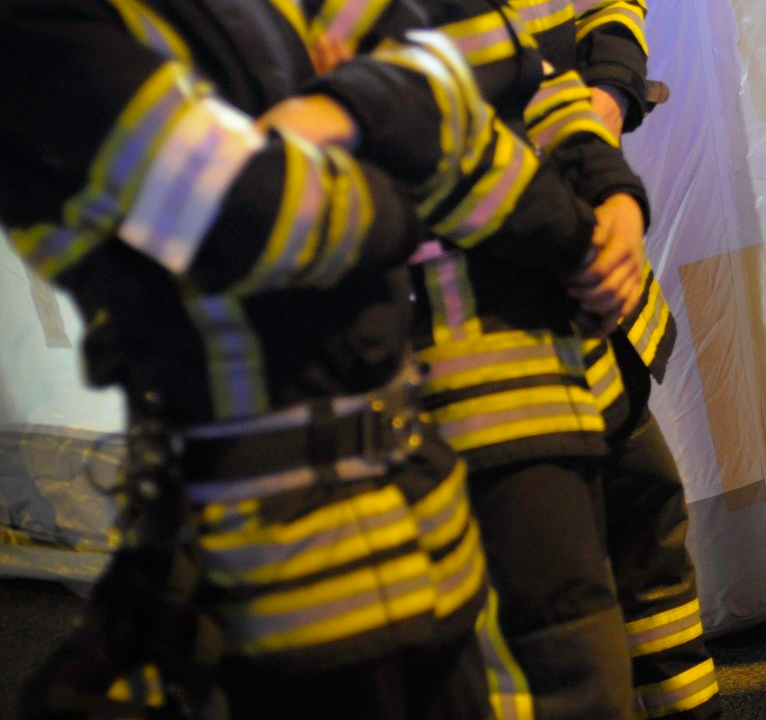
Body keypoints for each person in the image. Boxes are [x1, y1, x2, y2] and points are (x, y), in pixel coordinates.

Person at [0, 0, 598, 716]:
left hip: (415, 512)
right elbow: (251, 215)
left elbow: (453, 76)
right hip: (272, 557)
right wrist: (392, 163)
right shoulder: (43, 24)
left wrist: (347, 119)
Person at [293, 1, 649, 717]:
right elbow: (428, 136)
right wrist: (584, 237)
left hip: (552, 356)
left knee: (604, 613)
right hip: (459, 381)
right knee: (551, 664)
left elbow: (537, 81)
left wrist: (616, 195)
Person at [510, 2, 723, 717]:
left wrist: (606, 96)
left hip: (584, 277)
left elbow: (608, 11)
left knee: (648, 516)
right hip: (495, 329)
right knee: (560, 598)